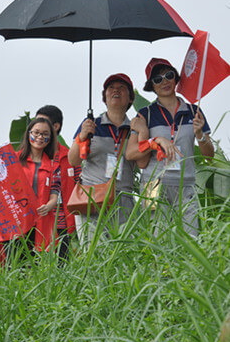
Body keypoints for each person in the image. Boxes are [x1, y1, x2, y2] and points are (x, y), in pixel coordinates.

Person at [126, 58, 214, 237]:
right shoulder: (145, 113)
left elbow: (209, 156)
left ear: (176, 78)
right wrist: (155, 140)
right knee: (158, 241)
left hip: (186, 184)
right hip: (153, 184)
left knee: (192, 240)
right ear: (152, 86)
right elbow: (130, 153)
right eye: (157, 79)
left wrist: (200, 135)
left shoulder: (193, 111)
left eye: (168, 75)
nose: (164, 81)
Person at [68, 73, 137, 250]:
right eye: (111, 88)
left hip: (123, 198)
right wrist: (82, 136)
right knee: (93, 254)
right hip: (91, 198)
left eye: (122, 88)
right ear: (104, 97)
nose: (116, 91)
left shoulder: (136, 128)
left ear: (130, 98)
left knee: (124, 253)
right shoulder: (91, 124)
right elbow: (73, 160)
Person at [35, 105, 81, 263]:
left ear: (55, 127)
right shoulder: (30, 157)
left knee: (62, 268)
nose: (39, 127)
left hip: (63, 224)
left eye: (43, 123)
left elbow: (80, 186)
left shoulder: (70, 157)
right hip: (36, 223)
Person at [16, 117, 58, 252]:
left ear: (50, 139)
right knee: (14, 259)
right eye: (36, 132)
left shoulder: (53, 165)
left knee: (40, 263)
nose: (40, 137)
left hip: (42, 219)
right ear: (29, 133)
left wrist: (48, 206)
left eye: (45, 134)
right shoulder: (14, 159)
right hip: (18, 219)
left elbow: (55, 195)